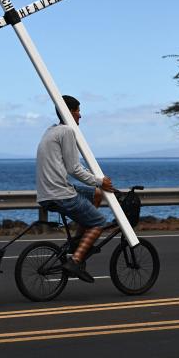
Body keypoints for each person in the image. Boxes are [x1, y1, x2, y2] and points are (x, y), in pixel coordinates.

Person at [35, 95, 114, 283]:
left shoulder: (51, 130)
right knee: (99, 222)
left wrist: (97, 185)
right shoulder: (67, 132)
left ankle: (78, 241)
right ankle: (76, 260)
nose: (81, 115)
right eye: (78, 110)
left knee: (96, 195)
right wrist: (99, 181)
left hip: (48, 192)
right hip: (60, 193)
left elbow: (72, 166)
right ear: (70, 113)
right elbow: (74, 168)